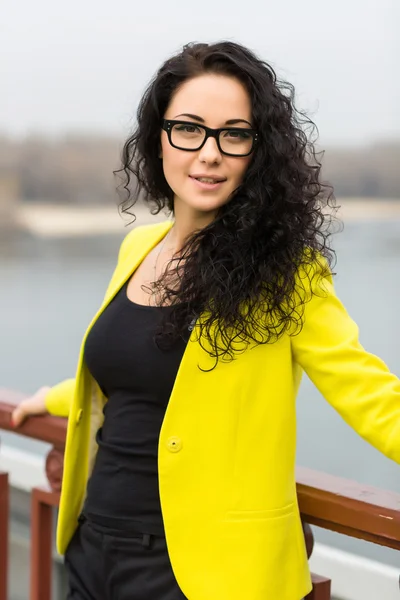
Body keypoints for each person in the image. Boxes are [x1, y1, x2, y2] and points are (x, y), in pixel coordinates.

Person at [11, 40, 400, 600]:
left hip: (199, 577)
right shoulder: (139, 247)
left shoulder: (285, 273)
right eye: (189, 129)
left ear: (257, 152)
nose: (209, 153)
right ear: (159, 138)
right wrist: (55, 398)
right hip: (93, 549)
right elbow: (141, 373)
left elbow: (369, 393)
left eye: (234, 134)